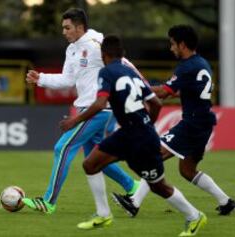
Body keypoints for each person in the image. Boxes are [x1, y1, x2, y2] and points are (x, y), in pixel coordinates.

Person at [60, 35, 207, 236]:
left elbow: (100, 104)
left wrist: (74, 120)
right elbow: (156, 103)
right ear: (123, 54)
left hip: (137, 137)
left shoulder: (106, 72)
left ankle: (195, 216)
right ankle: (103, 214)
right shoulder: (131, 72)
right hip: (134, 134)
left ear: (104, 54)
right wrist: (148, 125)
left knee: (158, 187)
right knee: (90, 164)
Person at [22, 8, 140, 214]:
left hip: (100, 109)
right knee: (95, 159)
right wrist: (40, 78)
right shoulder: (72, 49)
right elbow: (68, 79)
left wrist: (146, 90)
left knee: (63, 147)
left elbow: (125, 65)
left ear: (80, 27)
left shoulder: (97, 44)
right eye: (63, 28)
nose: (64, 32)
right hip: (89, 107)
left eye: (67, 28)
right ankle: (133, 186)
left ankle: (49, 201)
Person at [112, 25, 235, 217]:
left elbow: (164, 92)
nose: (171, 49)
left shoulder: (186, 67)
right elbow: (175, 91)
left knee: (152, 157)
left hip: (192, 124)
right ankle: (226, 202)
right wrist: (152, 93)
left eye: (172, 44)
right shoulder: (201, 63)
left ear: (182, 44)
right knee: (187, 170)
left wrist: (139, 88)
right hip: (204, 123)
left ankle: (133, 202)